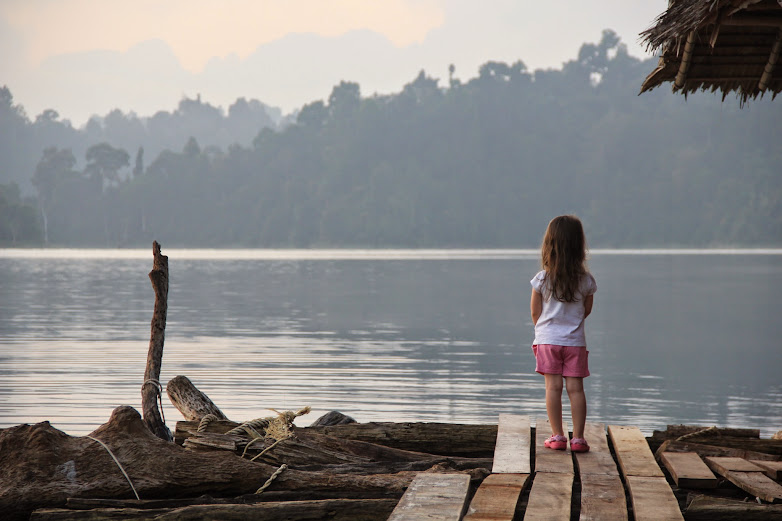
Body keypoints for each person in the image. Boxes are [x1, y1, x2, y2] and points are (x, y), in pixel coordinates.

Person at [530, 215, 596, 453]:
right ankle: (578, 439)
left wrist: (547, 330)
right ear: (579, 246)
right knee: (576, 389)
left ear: (550, 245)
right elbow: (586, 311)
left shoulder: (542, 279)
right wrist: (570, 327)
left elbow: (535, 313)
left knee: (553, 388)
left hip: (548, 340)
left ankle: (557, 437)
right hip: (575, 342)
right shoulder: (586, 280)